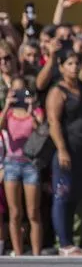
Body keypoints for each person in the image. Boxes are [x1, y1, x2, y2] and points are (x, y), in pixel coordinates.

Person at [45, 51, 82, 256]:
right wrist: (62, 149)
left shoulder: (81, 88)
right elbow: (53, 122)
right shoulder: (58, 91)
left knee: (79, 196)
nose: (74, 67)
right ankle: (64, 244)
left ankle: (81, 242)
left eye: (77, 63)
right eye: (70, 63)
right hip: (67, 150)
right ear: (61, 66)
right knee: (62, 196)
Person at [1, 77, 45, 256]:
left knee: (33, 212)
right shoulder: (8, 113)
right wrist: (6, 105)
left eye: (22, 92)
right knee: (15, 213)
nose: (19, 95)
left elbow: (41, 130)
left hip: (30, 164)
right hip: (11, 163)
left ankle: (36, 253)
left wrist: (32, 109)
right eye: (15, 92)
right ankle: (18, 253)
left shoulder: (34, 111)